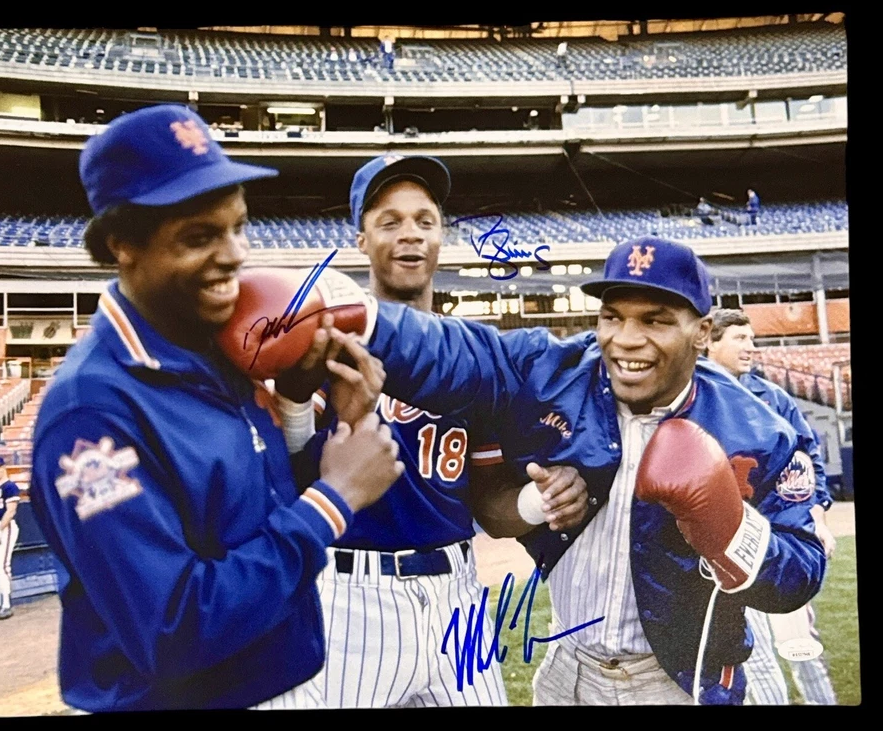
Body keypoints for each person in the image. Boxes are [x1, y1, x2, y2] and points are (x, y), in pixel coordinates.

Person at [330, 235, 826, 705]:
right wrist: (359, 320)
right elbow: (462, 352)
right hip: (567, 668)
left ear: (700, 332)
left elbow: (801, 572)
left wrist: (729, 533)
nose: (627, 340)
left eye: (654, 321)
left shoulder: (759, 429)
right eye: (613, 317)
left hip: (676, 680)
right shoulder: (557, 372)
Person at [29, 104, 405, 712]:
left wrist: (305, 410)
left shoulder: (214, 346)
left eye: (238, 227)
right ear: (123, 244)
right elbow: (172, 631)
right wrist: (333, 502)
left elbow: (249, 514)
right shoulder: (89, 415)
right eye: (200, 236)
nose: (234, 255)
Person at [298, 155, 588, 707]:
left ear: (441, 237)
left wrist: (538, 500)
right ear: (360, 239)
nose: (410, 235)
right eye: (390, 221)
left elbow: (490, 510)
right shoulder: (326, 345)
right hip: (349, 597)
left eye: (425, 221)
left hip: (459, 594)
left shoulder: (476, 361)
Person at [706, 308, 838, 705]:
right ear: (710, 342)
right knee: (749, 658)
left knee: (800, 646)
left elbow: (807, 457)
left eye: (751, 338)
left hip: (778, 537)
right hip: (721, 545)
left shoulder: (771, 397)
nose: (751, 346)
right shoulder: (692, 396)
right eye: (739, 338)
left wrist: (817, 517)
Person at [0, 455, 21, 620]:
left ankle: (7, 605)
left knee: (2, 566)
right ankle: (0, 601)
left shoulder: (10, 487)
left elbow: (11, 511)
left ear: (4, 468)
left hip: (4, 527)